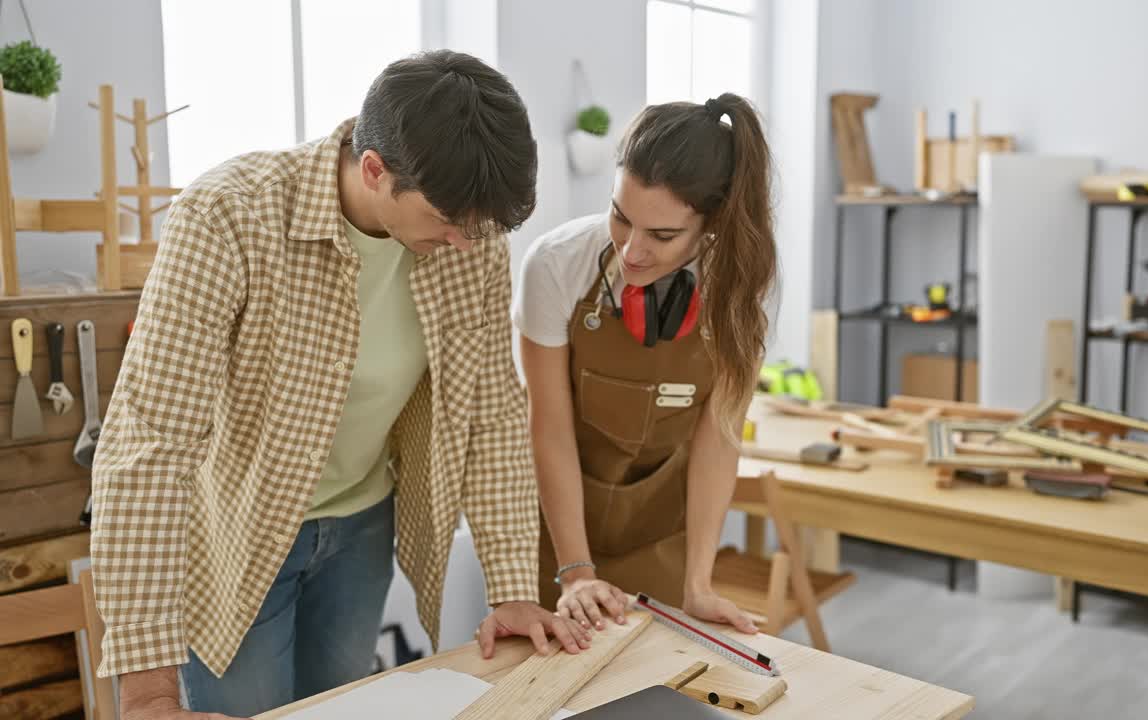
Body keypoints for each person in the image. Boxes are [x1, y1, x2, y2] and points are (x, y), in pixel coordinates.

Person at [92, 51, 589, 720]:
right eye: (450, 221)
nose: (467, 243)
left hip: (361, 527)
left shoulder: (470, 238)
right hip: (241, 534)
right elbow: (149, 445)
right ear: (375, 170)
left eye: (481, 228)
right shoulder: (225, 219)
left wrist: (508, 588)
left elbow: (493, 414)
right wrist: (147, 695)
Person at [515, 93, 777, 634]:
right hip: (556, 531)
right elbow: (550, 427)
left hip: (663, 535)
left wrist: (699, 586)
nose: (632, 251)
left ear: (713, 224)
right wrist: (575, 572)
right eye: (620, 216)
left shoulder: (743, 290)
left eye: (661, 235)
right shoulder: (556, 265)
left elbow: (718, 439)